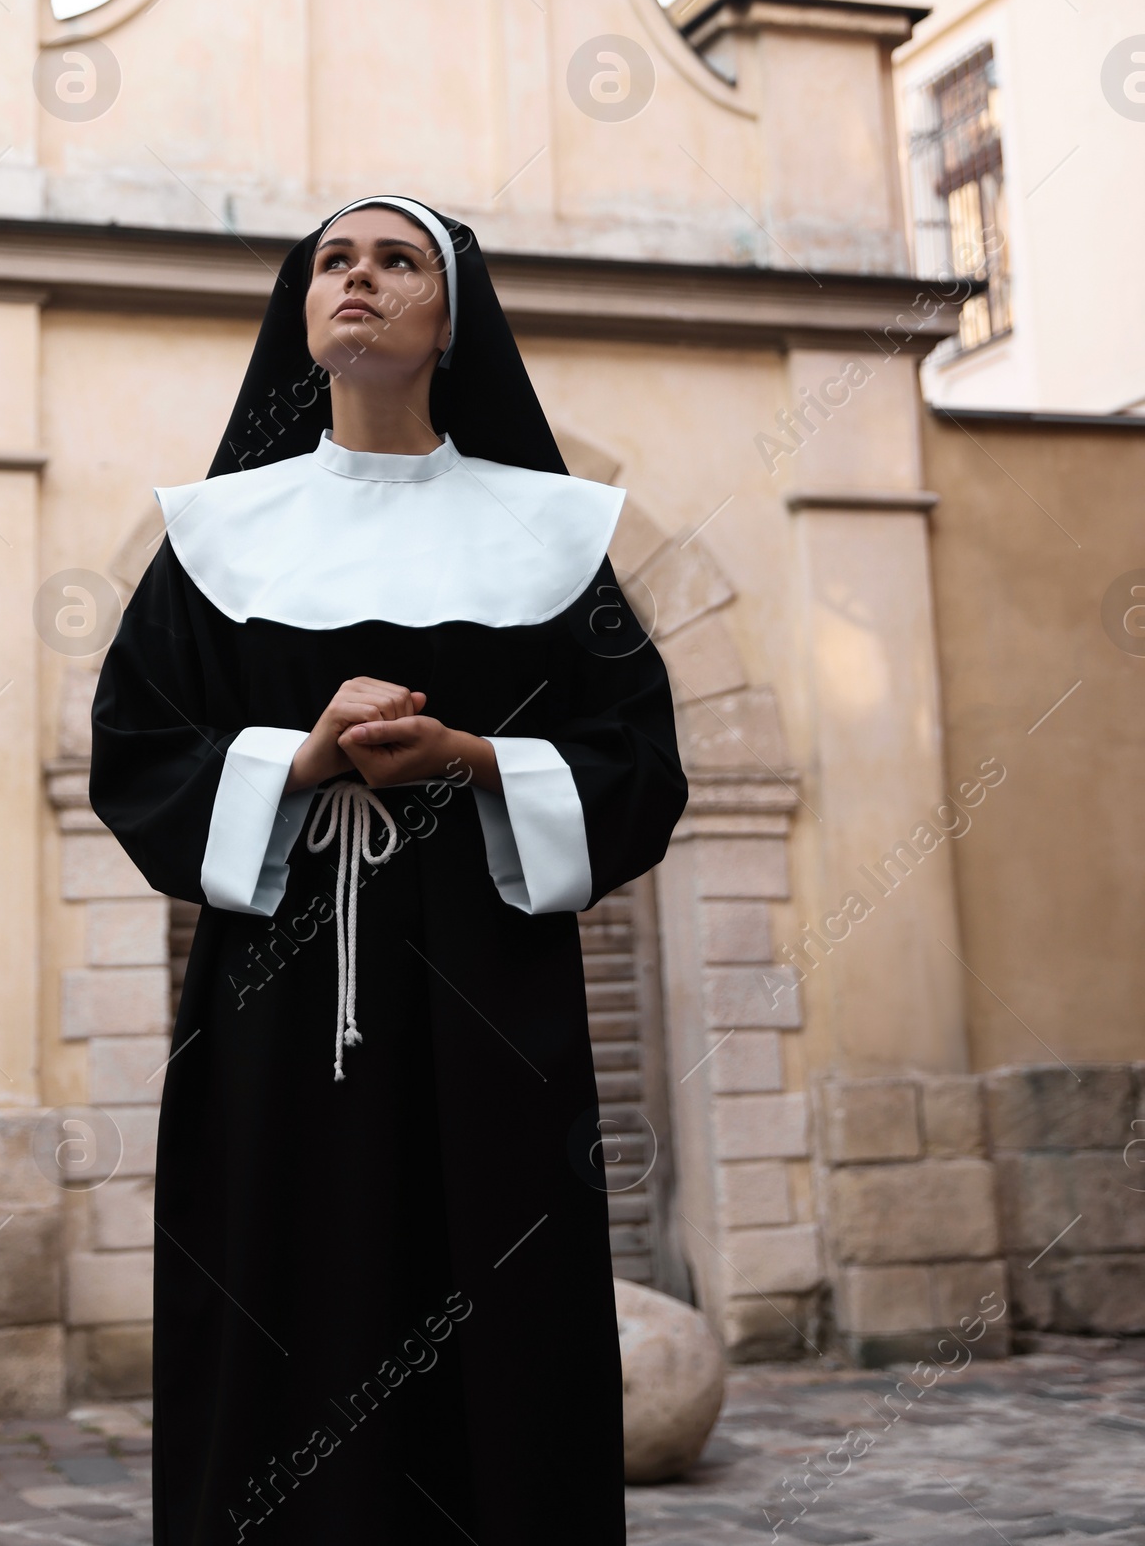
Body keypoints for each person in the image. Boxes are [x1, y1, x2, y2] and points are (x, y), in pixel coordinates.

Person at [90, 195, 686, 1546]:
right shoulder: (215, 535)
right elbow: (133, 752)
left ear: (450, 316)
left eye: (396, 260)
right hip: (276, 1011)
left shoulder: (556, 534)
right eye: (331, 262)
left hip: (493, 1001)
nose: (357, 278)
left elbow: (640, 766)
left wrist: (476, 758)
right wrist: (297, 761)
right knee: (278, 1285)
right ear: (302, 311)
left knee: (499, 1290)